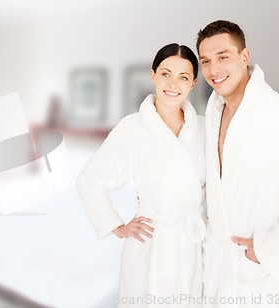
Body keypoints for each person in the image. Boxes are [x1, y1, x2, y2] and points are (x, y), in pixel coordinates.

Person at [197, 20, 279, 307]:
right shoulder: (211, 120)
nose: (214, 70)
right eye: (205, 61)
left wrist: (269, 252)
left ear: (244, 57)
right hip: (215, 271)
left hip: (257, 273)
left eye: (223, 57)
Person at [76, 43, 206, 308]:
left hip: (192, 243)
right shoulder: (132, 128)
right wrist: (118, 226)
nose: (173, 83)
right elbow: (89, 180)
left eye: (183, 77)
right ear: (153, 75)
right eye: (166, 73)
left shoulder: (204, 127)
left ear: (193, 83)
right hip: (150, 243)